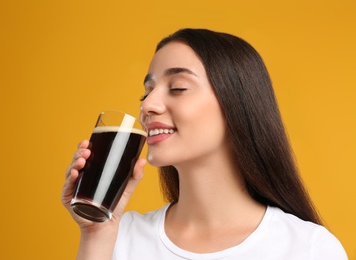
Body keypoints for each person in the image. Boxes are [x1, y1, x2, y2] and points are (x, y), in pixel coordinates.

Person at [62, 28, 348, 259]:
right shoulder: (117, 238)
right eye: (146, 93)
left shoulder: (309, 248)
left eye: (178, 88)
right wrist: (96, 237)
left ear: (236, 105)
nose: (147, 105)